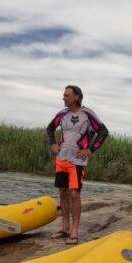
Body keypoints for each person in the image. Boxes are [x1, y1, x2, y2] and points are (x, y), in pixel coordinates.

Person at [45, 85, 108, 245]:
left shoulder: (87, 114)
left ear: (77, 97)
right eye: (63, 95)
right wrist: (53, 144)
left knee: (74, 193)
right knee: (63, 192)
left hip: (77, 161)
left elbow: (103, 131)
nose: (63, 98)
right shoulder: (62, 114)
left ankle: (74, 231)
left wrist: (90, 149)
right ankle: (65, 228)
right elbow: (50, 128)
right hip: (61, 159)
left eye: (66, 95)